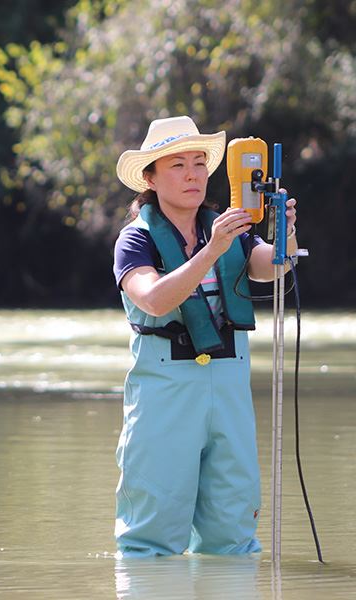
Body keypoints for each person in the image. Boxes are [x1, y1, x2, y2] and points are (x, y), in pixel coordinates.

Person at [112, 115, 298, 558]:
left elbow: (271, 267)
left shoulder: (228, 226)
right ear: (150, 178)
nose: (192, 174)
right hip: (165, 386)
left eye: (199, 163)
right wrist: (212, 248)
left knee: (233, 532)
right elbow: (154, 300)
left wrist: (285, 231)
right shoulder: (135, 240)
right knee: (150, 536)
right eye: (177, 166)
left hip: (229, 382)